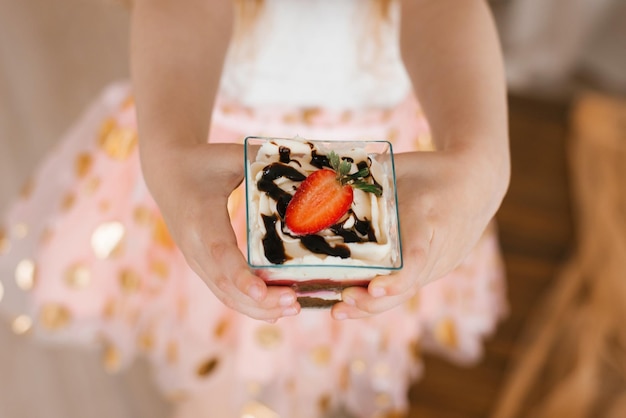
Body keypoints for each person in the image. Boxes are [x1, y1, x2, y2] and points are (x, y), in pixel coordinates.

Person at [0, 0, 510, 416]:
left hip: (381, 158)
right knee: (217, 345)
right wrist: (170, 144)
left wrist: (481, 154)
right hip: (212, 142)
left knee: (343, 330)